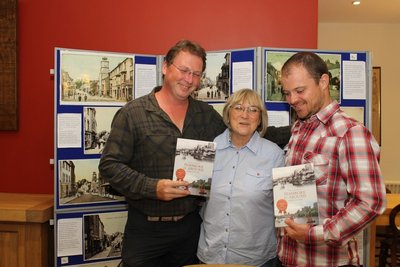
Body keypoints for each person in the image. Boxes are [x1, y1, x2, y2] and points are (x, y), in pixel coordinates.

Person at [99, 39, 291, 267]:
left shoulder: (205, 115)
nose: (189, 79)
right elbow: (110, 166)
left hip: (190, 232)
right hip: (146, 231)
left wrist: (300, 130)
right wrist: (153, 188)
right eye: (184, 70)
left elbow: (241, 132)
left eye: (196, 74)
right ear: (165, 67)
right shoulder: (133, 113)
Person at [277, 51, 387, 267]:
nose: (292, 100)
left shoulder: (349, 132)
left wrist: (315, 234)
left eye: (300, 90)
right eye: (287, 93)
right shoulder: (299, 128)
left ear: (324, 82)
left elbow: (370, 202)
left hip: (329, 262)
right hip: (290, 258)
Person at [197, 89, 284, 266]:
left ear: (260, 118)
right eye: (238, 108)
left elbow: (284, 208)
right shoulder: (207, 151)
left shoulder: (274, 154)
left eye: (253, 110)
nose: (245, 115)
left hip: (256, 259)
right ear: (228, 114)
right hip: (210, 255)